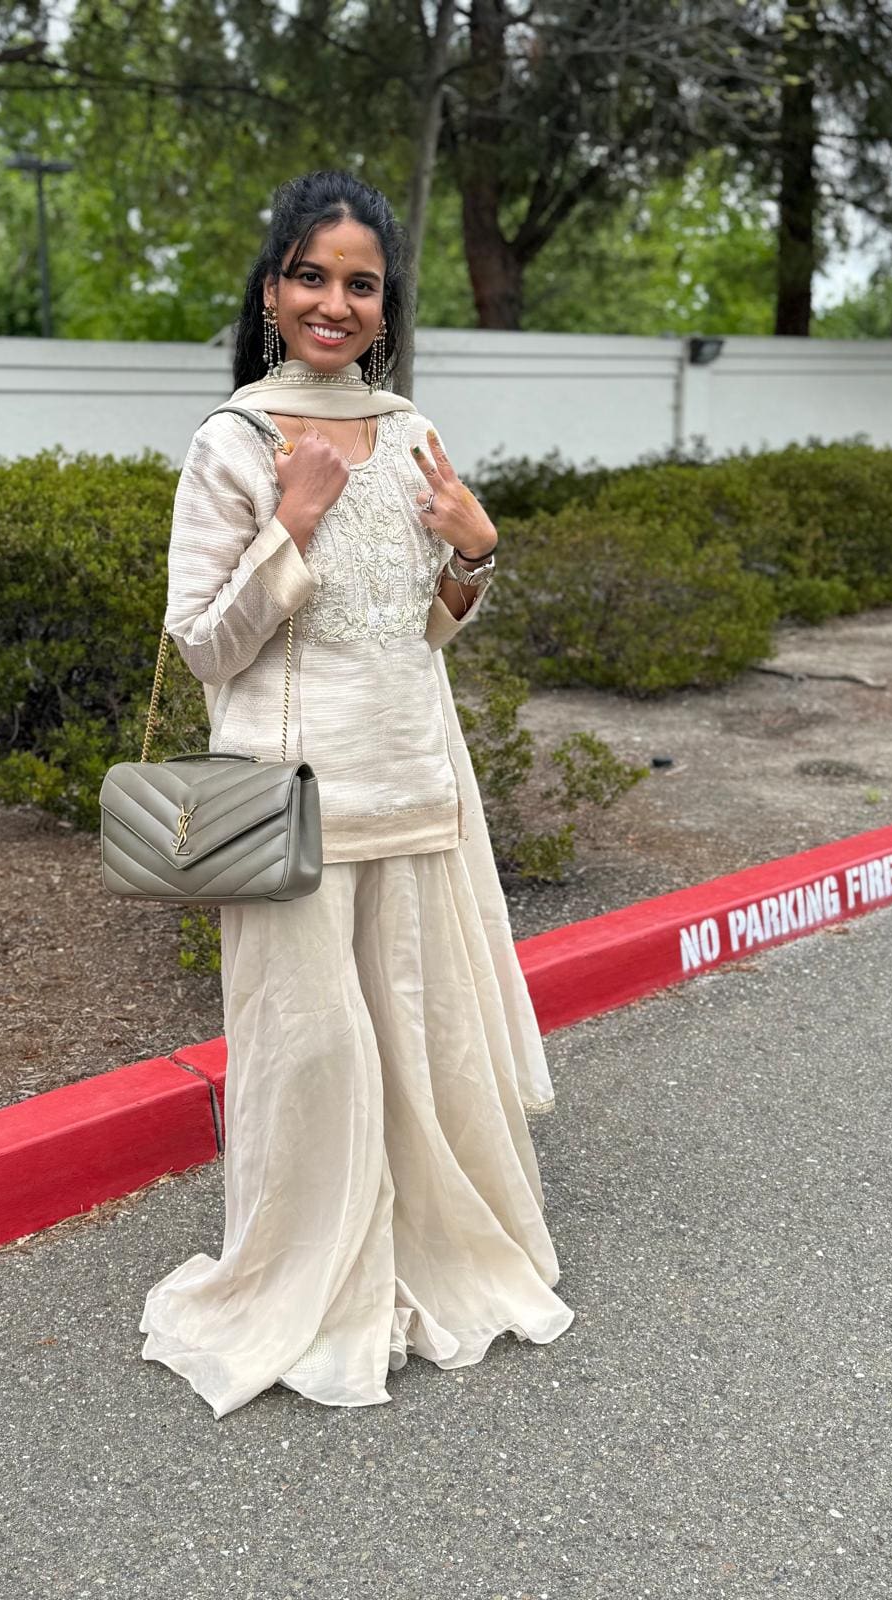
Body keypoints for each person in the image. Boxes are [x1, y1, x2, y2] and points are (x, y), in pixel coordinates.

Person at [138, 170, 574, 1418]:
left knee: (419, 1047)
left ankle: (422, 1256)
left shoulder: (411, 428)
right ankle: (312, 1281)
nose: (335, 303)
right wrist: (290, 524)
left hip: (417, 783)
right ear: (272, 292)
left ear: (386, 306)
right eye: (312, 277)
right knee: (311, 1052)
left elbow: (417, 631)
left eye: (362, 284)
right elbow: (203, 645)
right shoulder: (233, 442)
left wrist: (477, 553)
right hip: (289, 804)